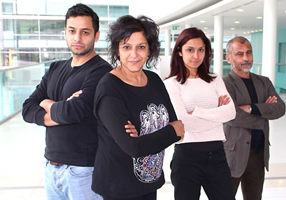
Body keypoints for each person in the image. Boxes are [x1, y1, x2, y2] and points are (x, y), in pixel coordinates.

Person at [22, 3, 112, 200]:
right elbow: (27, 108)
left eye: (85, 32)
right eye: (72, 31)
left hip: (83, 171)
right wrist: (58, 110)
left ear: (96, 36)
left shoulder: (102, 71)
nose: (77, 38)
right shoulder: (55, 68)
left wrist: (45, 103)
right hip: (51, 168)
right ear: (65, 32)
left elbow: (72, 112)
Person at [92, 15, 185, 200]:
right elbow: (134, 147)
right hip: (118, 187)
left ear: (149, 49)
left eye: (141, 47)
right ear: (117, 50)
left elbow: (176, 124)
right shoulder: (109, 88)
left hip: (149, 182)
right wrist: (169, 132)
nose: (134, 54)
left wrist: (148, 135)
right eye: (126, 47)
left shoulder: (154, 80)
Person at [164, 27, 236, 200]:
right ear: (179, 52)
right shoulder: (171, 84)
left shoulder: (215, 79)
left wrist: (197, 111)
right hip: (187, 157)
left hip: (217, 155)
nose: (196, 55)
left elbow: (231, 113)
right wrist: (218, 115)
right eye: (190, 50)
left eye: (201, 50)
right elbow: (185, 124)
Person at [223, 36, 286, 200]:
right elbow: (232, 117)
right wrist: (264, 112)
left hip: (258, 154)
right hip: (233, 155)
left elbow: (280, 108)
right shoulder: (224, 84)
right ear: (228, 58)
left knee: (254, 197)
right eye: (240, 54)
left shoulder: (264, 82)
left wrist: (253, 108)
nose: (246, 58)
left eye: (249, 53)